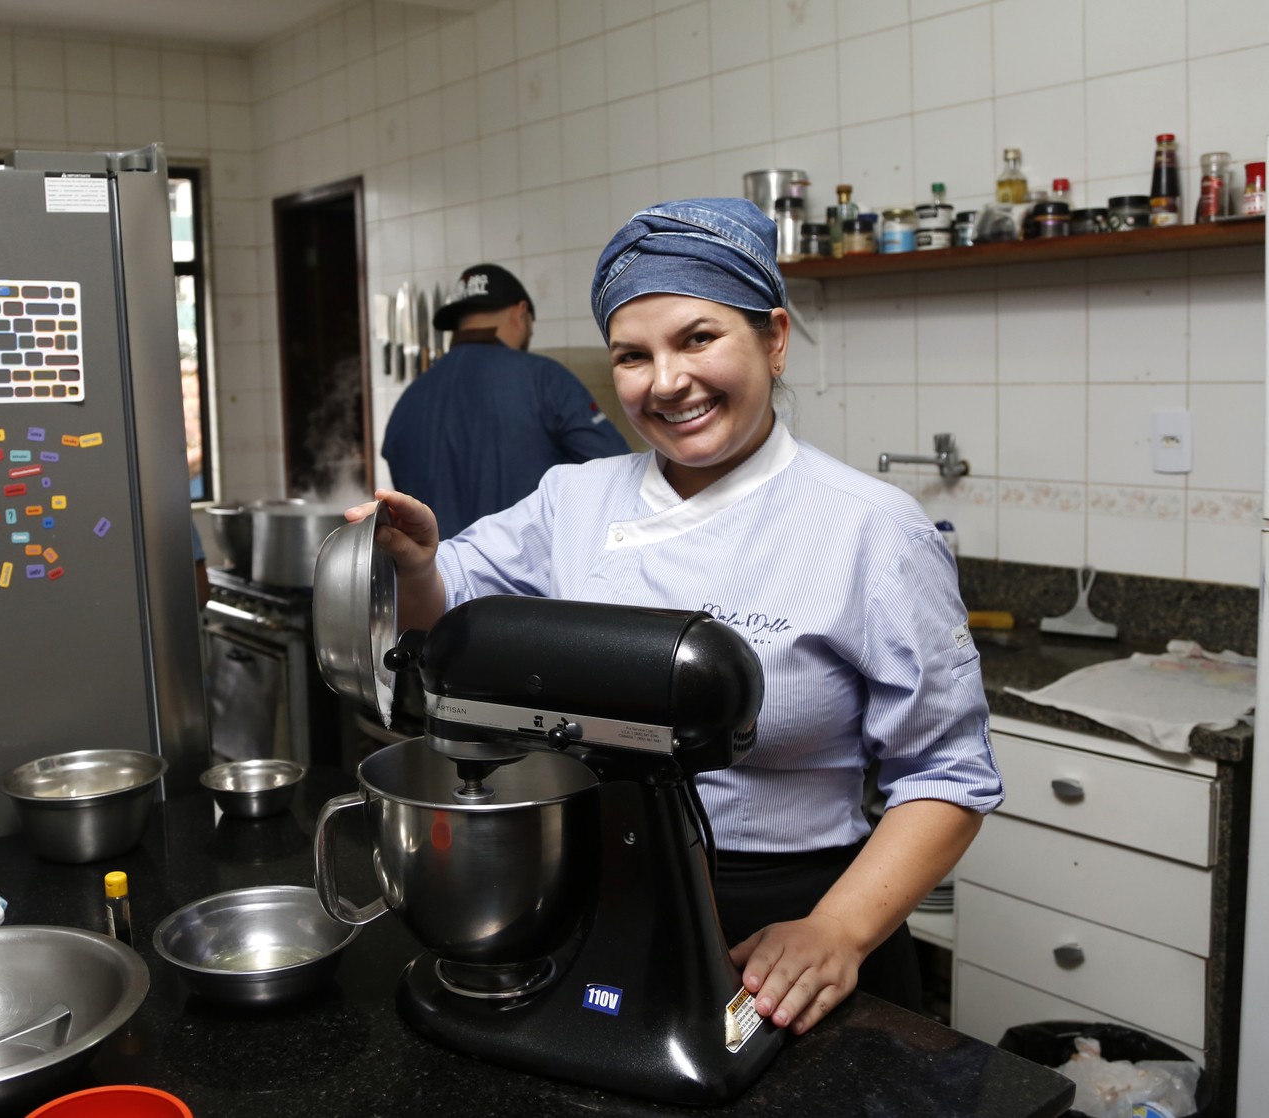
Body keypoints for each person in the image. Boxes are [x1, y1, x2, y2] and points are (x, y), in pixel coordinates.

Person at [350, 198, 1003, 1039]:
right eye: (633, 355)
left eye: (698, 339)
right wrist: (416, 565)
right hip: (591, 893)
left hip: (792, 922)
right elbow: (454, 610)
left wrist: (839, 932)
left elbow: (947, 774)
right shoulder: (575, 497)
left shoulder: (871, 527)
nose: (665, 382)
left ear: (773, 338)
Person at [381, 262, 629, 538]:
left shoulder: (405, 405)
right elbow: (619, 471)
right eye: (530, 329)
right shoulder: (544, 379)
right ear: (520, 313)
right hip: (528, 578)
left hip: (437, 578)